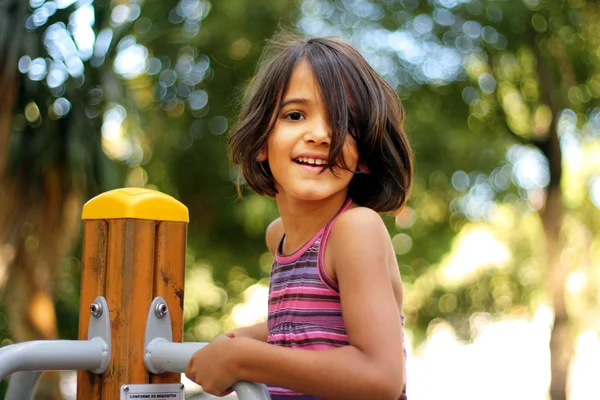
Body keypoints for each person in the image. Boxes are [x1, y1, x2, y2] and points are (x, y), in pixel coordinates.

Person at [185, 32, 413, 400]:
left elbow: (381, 376)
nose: (321, 134)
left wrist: (246, 357)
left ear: (366, 155)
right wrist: (247, 337)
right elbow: (311, 329)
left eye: (346, 123)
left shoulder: (356, 229)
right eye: (295, 115)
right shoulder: (280, 237)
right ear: (260, 140)